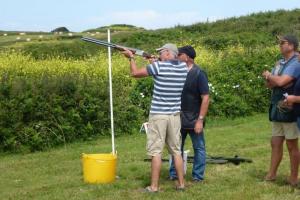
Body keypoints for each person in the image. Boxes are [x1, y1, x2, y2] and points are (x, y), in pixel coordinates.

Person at [122, 43, 188, 192]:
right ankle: (181, 184)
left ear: (168, 53)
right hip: (174, 116)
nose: (160, 55)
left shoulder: (159, 67)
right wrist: (154, 62)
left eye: (162, 52)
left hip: (158, 115)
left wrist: (131, 57)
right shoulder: (183, 68)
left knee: (156, 151)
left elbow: (135, 74)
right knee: (176, 151)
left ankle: (154, 187)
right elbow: (164, 71)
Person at [262, 34, 300, 186]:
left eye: (282, 43)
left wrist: (269, 75)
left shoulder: (296, 63)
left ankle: (293, 177)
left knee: (291, 144)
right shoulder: (280, 63)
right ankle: (271, 174)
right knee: (275, 142)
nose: (280, 45)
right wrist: (272, 79)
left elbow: (282, 81)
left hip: (290, 108)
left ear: (291, 45)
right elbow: (270, 85)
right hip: (277, 106)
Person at [169, 46, 209, 182]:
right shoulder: (176, 72)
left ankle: (198, 176)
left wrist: (200, 120)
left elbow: (206, 98)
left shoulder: (199, 73)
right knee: (176, 148)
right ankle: (174, 174)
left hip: (194, 118)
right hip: (178, 117)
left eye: (179, 54)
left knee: (199, 148)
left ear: (187, 57)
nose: (176, 56)